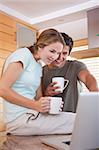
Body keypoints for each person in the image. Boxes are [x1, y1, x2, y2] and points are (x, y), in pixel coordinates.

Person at [0, 29, 75, 136]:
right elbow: (2, 89)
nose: (55, 57)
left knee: (78, 118)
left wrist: (49, 102)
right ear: (40, 46)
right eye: (52, 51)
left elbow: (38, 98)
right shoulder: (22, 55)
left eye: (58, 53)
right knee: (78, 121)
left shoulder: (39, 65)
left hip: (33, 114)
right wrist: (35, 105)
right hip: (18, 120)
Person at [42, 33, 99, 113]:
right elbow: (37, 100)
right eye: (57, 53)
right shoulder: (41, 71)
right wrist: (47, 94)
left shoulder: (75, 66)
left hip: (73, 117)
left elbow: (87, 77)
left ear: (68, 53)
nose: (60, 58)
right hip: (49, 118)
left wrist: (95, 93)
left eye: (64, 53)